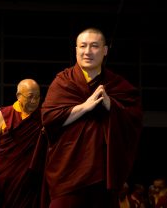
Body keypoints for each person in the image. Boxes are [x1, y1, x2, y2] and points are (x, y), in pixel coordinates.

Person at [40, 27, 143, 208]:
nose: (87, 52)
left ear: (105, 51)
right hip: (67, 172)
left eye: (94, 46)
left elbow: (133, 120)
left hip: (102, 174)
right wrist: (85, 107)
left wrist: (111, 105)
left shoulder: (117, 85)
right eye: (83, 46)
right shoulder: (63, 82)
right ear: (76, 50)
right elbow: (49, 118)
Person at [0, 78, 44, 208]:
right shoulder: (4, 115)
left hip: (31, 180)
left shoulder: (43, 116)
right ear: (18, 96)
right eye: (30, 97)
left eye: (37, 97)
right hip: (5, 179)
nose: (34, 101)